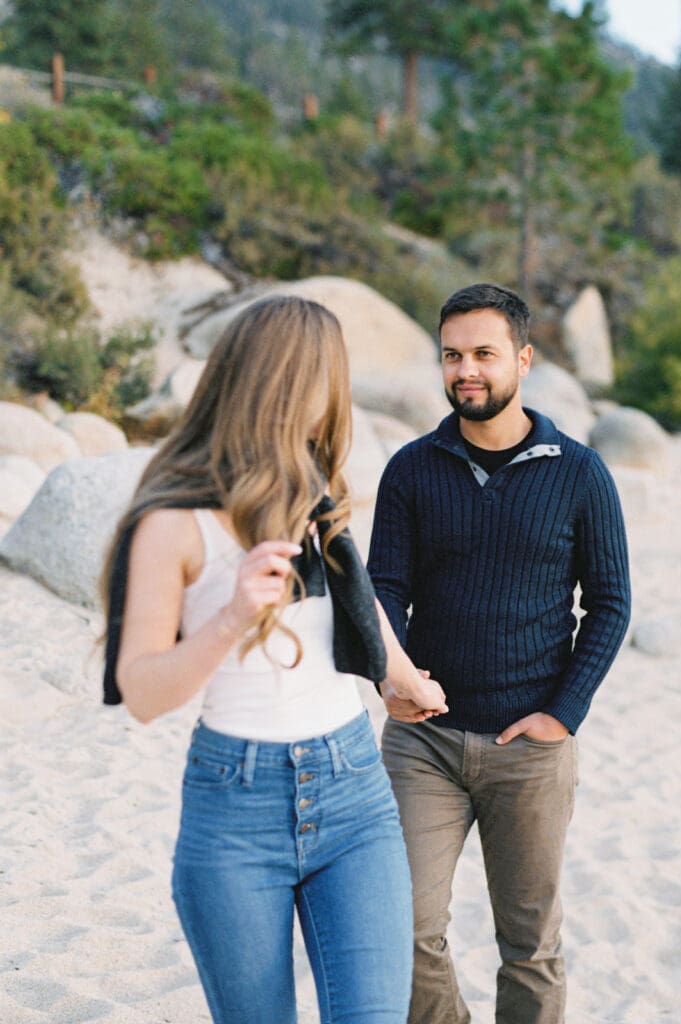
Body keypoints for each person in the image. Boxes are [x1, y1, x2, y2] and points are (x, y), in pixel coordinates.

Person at [100, 295, 447, 1024]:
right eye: (327, 380)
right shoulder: (173, 522)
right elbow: (142, 692)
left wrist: (401, 675)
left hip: (353, 789)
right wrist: (232, 615)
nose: (334, 401)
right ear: (286, 385)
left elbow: (354, 600)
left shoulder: (313, 493)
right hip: (234, 808)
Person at [367, 283, 632, 1024]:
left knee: (529, 946)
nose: (466, 371)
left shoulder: (580, 474)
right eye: (452, 356)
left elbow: (609, 604)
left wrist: (562, 714)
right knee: (405, 928)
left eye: (483, 353)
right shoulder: (411, 470)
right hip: (423, 741)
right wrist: (392, 671)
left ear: (522, 358)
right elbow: (382, 586)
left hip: (531, 749)